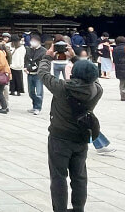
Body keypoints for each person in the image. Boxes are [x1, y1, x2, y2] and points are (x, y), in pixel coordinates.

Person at [38, 45, 103, 212]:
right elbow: (93, 77)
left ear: (73, 73)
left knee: (59, 176)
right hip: (81, 138)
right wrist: (75, 57)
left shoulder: (62, 87)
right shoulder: (97, 90)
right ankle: (78, 208)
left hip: (59, 138)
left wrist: (48, 56)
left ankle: (60, 209)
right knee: (79, 176)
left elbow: (43, 74)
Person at [25, 34, 47, 115]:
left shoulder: (43, 51)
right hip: (30, 73)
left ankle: (38, 107)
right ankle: (34, 105)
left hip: (38, 74)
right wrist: (25, 67)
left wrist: (42, 71)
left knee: (39, 92)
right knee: (31, 92)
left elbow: (45, 62)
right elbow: (26, 59)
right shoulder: (29, 49)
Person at [114, 36, 125, 101]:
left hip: (119, 68)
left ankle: (123, 96)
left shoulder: (115, 49)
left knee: (122, 83)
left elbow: (114, 59)